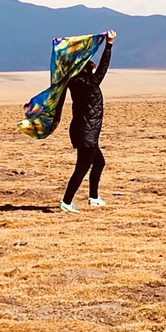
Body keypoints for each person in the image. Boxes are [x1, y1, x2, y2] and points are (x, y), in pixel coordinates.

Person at [61, 29, 115, 212]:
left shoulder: (73, 82)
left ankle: (93, 197)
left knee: (99, 163)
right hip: (87, 132)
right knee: (81, 168)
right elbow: (104, 67)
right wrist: (109, 45)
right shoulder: (90, 83)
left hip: (82, 130)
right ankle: (66, 202)